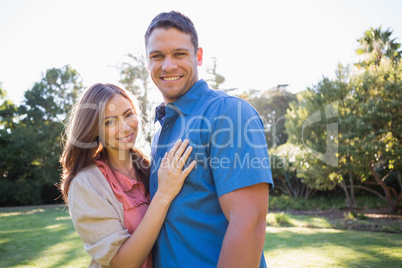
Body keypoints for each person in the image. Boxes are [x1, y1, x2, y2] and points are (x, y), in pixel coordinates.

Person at [145, 11, 274, 268]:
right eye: (157, 56)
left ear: (198, 56)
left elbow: (249, 222)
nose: (168, 65)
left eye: (179, 54)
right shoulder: (161, 131)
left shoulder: (230, 113)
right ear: (148, 62)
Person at [59, 83, 196, 268]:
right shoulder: (86, 183)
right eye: (110, 122)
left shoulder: (151, 167)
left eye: (128, 114)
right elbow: (123, 263)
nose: (125, 127)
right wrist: (163, 195)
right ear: (94, 130)